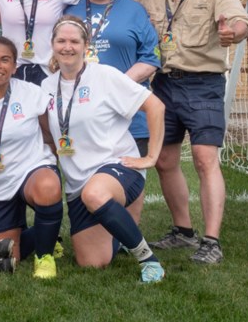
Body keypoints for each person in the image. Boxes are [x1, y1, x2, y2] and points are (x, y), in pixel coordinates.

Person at [137, 0, 248, 264]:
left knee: (204, 159)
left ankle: (211, 241)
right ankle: (183, 232)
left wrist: (233, 32)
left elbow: (240, 21)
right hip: (163, 85)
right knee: (165, 160)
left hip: (203, 84)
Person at [40, 16, 166, 283]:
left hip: (116, 168)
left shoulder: (105, 75)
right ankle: (119, 227)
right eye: (61, 41)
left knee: (96, 193)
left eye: (74, 41)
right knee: (92, 262)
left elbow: (155, 106)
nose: (67, 47)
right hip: (78, 184)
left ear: (86, 45)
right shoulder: (47, 86)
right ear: (52, 45)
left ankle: (148, 260)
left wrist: (151, 157)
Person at [0, 37, 63, 278]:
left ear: (14, 66)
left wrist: (53, 161)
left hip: (29, 170)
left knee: (48, 186)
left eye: (5, 60)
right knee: (7, 255)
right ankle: (48, 235)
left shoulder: (31, 93)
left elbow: (48, 133)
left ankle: (45, 257)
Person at [64, 0, 159, 155]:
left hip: (126, 112)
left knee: (129, 181)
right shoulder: (68, 10)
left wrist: (113, 88)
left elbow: (151, 58)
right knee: (85, 182)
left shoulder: (135, 10)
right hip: (84, 113)